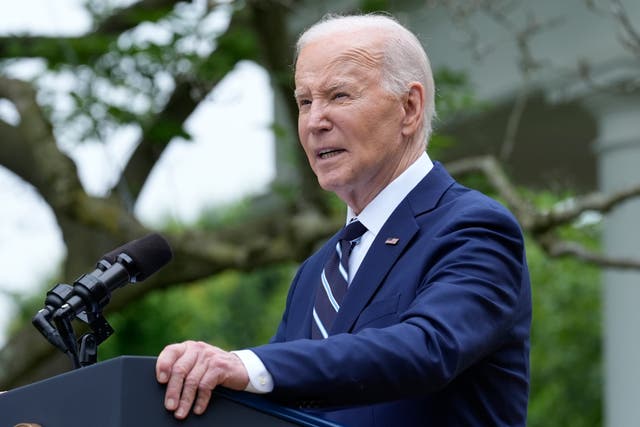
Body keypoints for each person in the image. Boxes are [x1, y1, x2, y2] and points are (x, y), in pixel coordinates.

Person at [155, 13, 531, 427]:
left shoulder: (472, 228)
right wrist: (202, 377)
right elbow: (281, 399)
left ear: (409, 107)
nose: (315, 121)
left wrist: (246, 365)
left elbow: (427, 348)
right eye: (304, 101)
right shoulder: (315, 272)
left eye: (338, 95)